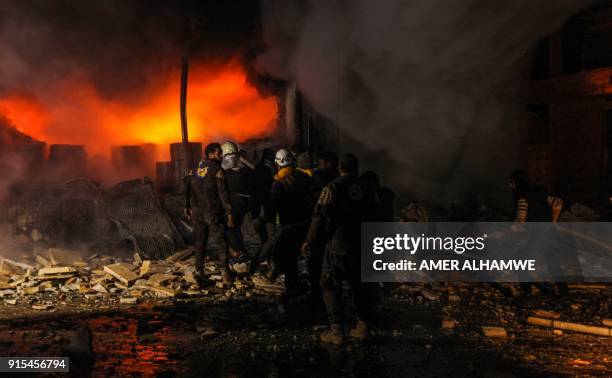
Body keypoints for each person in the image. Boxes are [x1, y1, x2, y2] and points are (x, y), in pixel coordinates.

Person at [302, 154, 377, 345]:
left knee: (330, 282)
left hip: (339, 241)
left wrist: (310, 241)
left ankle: (336, 331)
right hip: (362, 240)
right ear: (356, 168)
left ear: (340, 168)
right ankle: (363, 327)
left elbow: (319, 216)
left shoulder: (332, 187)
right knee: (360, 283)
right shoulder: (367, 187)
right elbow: (378, 212)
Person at [264, 148, 315, 294]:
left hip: (288, 226)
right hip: (306, 224)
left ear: (277, 164)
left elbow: (271, 208)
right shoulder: (304, 177)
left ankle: (293, 290)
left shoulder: (279, 183)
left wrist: (267, 220)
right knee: (303, 257)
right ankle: (304, 288)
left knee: (285, 258)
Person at [184, 142, 234, 286]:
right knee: (221, 241)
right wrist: (229, 212)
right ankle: (225, 273)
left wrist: (186, 205)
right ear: (211, 154)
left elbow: (185, 187)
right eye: (219, 153)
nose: (221, 155)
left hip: (197, 212)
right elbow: (223, 193)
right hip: (212, 212)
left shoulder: (193, 170)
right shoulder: (217, 170)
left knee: (200, 242)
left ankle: (199, 272)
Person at [221, 141, 251, 264]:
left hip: (235, 203)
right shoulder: (244, 170)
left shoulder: (225, 173)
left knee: (229, 227)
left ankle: (239, 253)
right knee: (235, 228)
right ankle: (241, 252)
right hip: (245, 203)